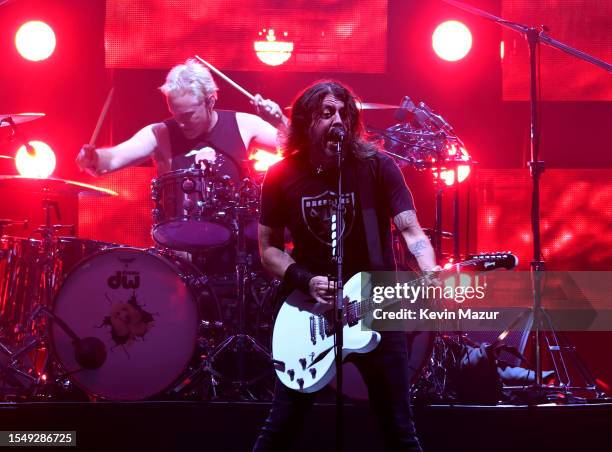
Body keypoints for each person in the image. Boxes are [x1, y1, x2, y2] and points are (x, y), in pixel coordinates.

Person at [253, 80, 441, 451]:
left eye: (344, 113)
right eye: (327, 113)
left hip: (375, 309)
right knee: (280, 429)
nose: (338, 120)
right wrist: (305, 280)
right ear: (307, 122)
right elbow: (269, 249)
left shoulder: (377, 167)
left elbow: (410, 228)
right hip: (312, 314)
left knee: (400, 433)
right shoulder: (281, 176)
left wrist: (430, 270)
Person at [76, 58, 286, 180]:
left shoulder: (243, 124)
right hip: (178, 248)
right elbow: (113, 158)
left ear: (210, 101)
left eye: (188, 115)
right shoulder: (159, 133)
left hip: (235, 246)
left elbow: (299, 148)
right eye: (175, 115)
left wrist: (280, 122)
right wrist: (94, 159)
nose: (181, 123)